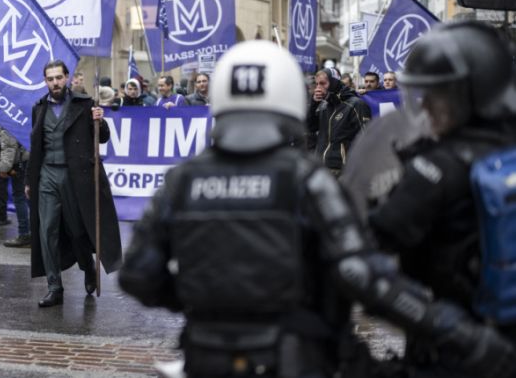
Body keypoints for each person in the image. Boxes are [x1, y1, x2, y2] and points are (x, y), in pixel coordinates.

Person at [119, 40, 516, 378]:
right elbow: (359, 273)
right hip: (293, 356)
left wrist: (199, 301)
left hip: (203, 354)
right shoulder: (306, 178)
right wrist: (462, 336)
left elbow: (137, 274)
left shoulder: (182, 180)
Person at [369, 21, 516, 377]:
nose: (427, 107)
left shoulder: (436, 168)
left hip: (455, 350)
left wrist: (436, 322)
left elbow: (363, 259)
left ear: (469, 93)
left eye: (437, 95)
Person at [27, 59, 122, 308]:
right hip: (47, 174)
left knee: (77, 231)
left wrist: (100, 120)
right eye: (50, 79)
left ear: (67, 77)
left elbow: (101, 138)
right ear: (45, 81)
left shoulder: (84, 104)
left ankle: (88, 268)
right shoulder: (38, 109)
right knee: (46, 231)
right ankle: (54, 287)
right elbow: (35, 148)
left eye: (59, 77)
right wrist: (29, 180)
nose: (55, 82)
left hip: (75, 176)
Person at [306, 68, 370, 175]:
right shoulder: (323, 105)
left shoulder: (356, 104)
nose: (318, 87)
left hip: (343, 169)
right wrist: (314, 104)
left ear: (333, 82)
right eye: (317, 84)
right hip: (321, 167)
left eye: (322, 83)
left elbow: (366, 140)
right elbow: (310, 128)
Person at [0, 127, 30, 247]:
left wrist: (4, 168)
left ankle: (24, 234)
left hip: (21, 162)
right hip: (33, 158)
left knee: (20, 197)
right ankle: (36, 233)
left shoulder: (9, 112)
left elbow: (9, 146)